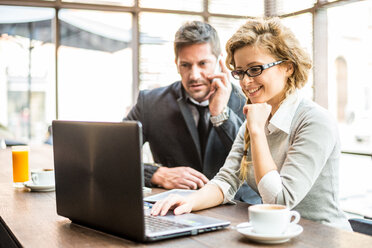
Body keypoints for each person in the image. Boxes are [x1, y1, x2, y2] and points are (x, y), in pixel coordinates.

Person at [151, 17, 352, 231]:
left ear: (288, 67)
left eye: (255, 69)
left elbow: (279, 202)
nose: (246, 82)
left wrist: (256, 131)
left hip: (322, 237)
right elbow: (227, 180)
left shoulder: (314, 121)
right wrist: (189, 201)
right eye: (240, 72)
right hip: (275, 234)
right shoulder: (256, 117)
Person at [124, 21, 260, 203]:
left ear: (220, 61)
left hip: (240, 210)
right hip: (173, 211)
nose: (194, 75)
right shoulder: (149, 103)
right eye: (185, 65)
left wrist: (221, 114)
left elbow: (258, 162)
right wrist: (155, 174)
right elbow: (111, 155)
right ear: (176, 64)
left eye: (203, 63)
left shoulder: (250, 99)